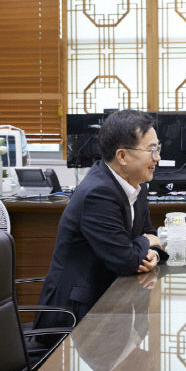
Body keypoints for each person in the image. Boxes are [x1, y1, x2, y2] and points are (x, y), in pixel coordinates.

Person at [34, 109, 164, 337]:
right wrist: (146, 243)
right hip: (76, 317)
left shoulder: (136, 185)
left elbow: (150, 236)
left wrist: (151, 250)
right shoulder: (98, 194)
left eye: (158, 148)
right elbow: (126, 259)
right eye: (151, 150)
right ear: (122, 156)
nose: (157, 158)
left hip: (113, 301)